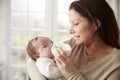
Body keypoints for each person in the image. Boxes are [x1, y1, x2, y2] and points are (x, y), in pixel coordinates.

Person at [28, 0, 120, 80]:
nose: (70, 31)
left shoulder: (116, 62)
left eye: (76, 24)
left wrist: (71, 74)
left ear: (96, 23)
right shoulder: (71, 45)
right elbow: (33, 60)